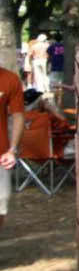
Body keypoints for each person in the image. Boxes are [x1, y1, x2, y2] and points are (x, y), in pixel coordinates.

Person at [0, 66, 25, 229]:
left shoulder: (10, 79)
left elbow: (18, 115)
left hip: (1, 154)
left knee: (1, 207)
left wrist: (12, 149)